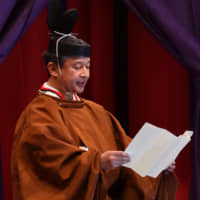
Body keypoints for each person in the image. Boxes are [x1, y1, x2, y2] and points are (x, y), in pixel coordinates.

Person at [11, 1, 177, 200]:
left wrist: (157, 164)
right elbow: (51, 171)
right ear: (53, 69)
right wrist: (97, 164)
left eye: (88, 66)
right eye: (77, 66)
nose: (85, 74)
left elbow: (128, 152)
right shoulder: (38, 115)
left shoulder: (95, 111)